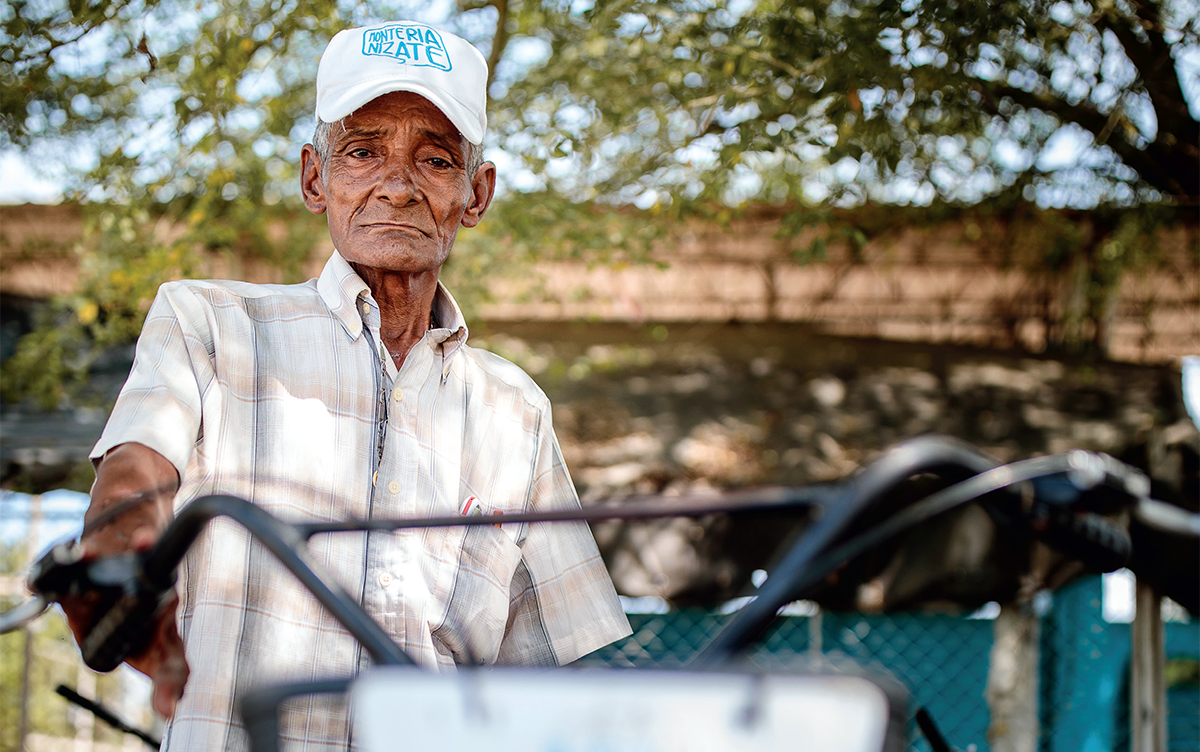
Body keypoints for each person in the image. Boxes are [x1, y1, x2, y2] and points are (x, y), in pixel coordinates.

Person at [67, 20, 631, 751]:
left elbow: (555, 670)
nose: (397, 187)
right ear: (315, 177)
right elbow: (136, 471)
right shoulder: (208, 323)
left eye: (434, 160)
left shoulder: (513, 410)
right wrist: (119, 557)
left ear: (476, 193)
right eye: (363, 152)